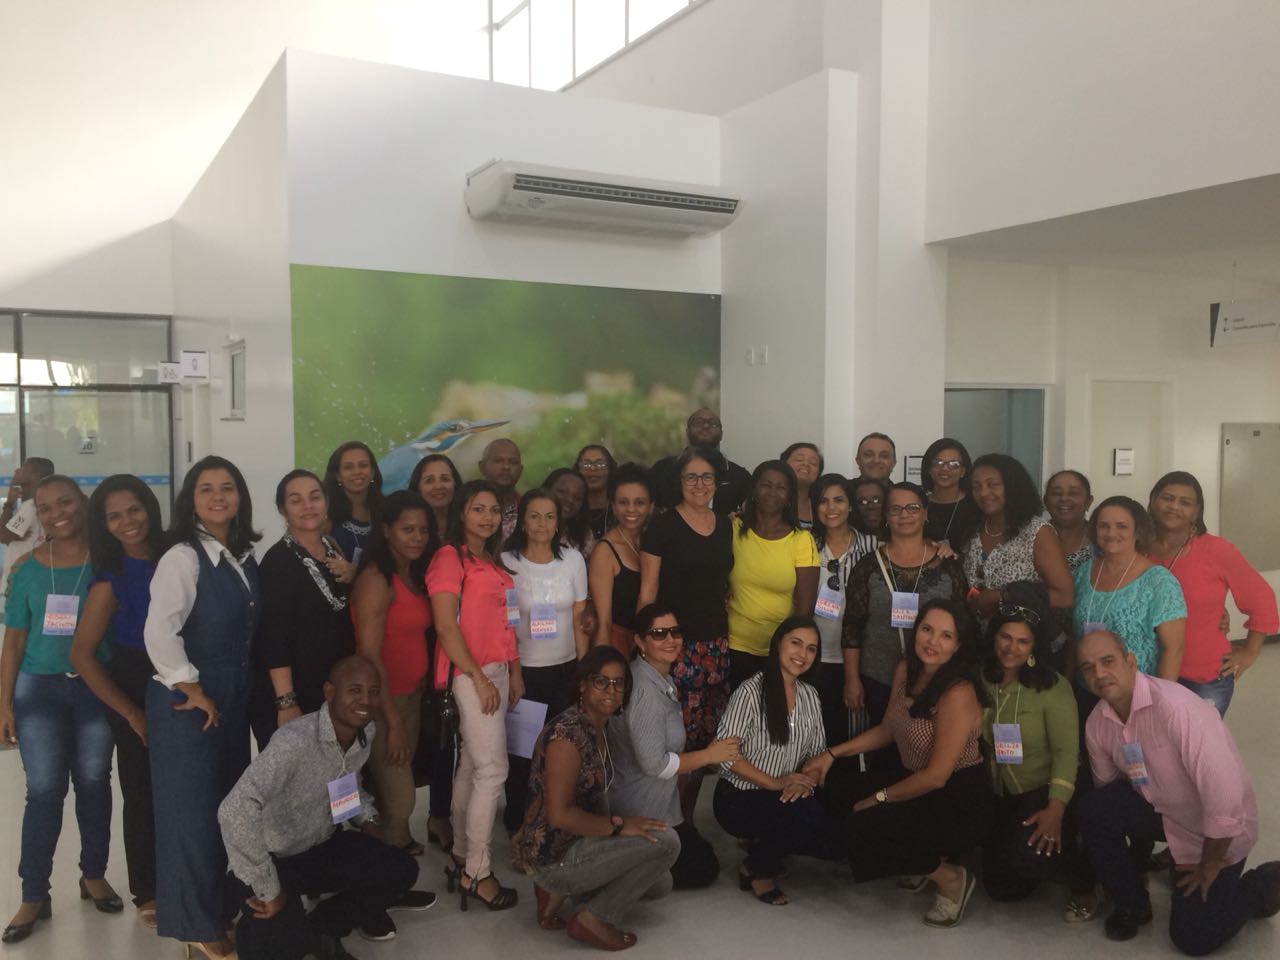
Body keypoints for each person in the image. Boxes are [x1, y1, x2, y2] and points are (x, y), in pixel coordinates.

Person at [1075, 630, 1280, 952]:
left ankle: (1264, 884)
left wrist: (1209, 863)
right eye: (1088, 667)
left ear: (1130, 661)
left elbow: (1225, 797)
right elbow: (1110, 795)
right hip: (1165, 812)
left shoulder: (1176, 708)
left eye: (1108, 661)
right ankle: (1132, 903)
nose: (1099, 674)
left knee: (1192, 937)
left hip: (1214, 833)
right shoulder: (1097, 724)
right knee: (1093, 808)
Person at [219, 656, 430, 960]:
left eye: (373, 691)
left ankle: (322, 928)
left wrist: (368, 821)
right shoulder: (293, 742)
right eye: (354, 690)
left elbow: (345, 785)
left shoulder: (365, 732)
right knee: (279, 948)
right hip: (272, 859)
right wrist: (269, 889)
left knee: (401, 869)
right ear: (330, 692)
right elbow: (234, 809)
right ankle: (276, 929)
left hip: (320, 846)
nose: (366, 700)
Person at [807, 598, 992, 929]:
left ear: (959, 645)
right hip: (914, 779)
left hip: (956, 797)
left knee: (863, 824)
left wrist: (879, 798)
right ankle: (920, 861)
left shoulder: (958, 691)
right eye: (927, 629)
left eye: (946, 636)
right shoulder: (906, 670)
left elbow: (937, 776)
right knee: (836, 791)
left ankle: (950, 877)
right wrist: (831, 755)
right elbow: (888, 730)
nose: (932, 641)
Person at [144, 455, 262, 959]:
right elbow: (159, 631)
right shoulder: (182, 557)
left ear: (240, 497)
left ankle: (215, 906)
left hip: (230, 695)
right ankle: (195, 923)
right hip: (188, 701)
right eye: (206, 488)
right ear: (190, 500)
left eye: (227, 487)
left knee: (223, 810)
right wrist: (190, 686)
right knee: (190, 815)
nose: (218, 496)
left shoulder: (238, 555)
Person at [1, 475, 118, 945]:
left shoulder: (107, 563)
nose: (56, 514)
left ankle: (93, 874)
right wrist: (3, 703)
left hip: (96, 687)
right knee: (45, 791)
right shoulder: (27, 569)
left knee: (94, 782)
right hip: (39, 692)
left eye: (65, 502)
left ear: (83, 503)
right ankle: (34, 894)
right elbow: (13, 641)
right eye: (46, 508)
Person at [512, 646, 679, 951]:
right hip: (555, 855)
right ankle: (593, 917)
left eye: (618, 683)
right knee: (668, 843)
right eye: (601, 681)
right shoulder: (567, 736)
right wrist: (619, 827)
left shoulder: (602, 726)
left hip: (581, 842)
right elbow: (559, 815)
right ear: (583, 685)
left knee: (660, 881)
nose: (611, 691)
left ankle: (560, 894)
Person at [68, 475, 165, 929]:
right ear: (103, 525)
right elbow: (81, 656)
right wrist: (131, 714)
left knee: (184, 788)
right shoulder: (110, 579)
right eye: (114, 516)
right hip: (134, 687)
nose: (128, 521)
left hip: (181, 678)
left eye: (135, 509)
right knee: (142, 791)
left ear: (150, 509)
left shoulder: (175, 554)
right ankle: (148, 888)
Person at [427, 480, 522, 911]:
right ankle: (478, 873)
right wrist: (480, 679)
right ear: (462, 512)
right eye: (478, 508)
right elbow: (446, 627)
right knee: (493, 770)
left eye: (494, 510)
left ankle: (462, 856)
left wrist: (513, 672)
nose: (487, 517)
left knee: (471, 765)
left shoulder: (493, 561)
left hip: (497, 672)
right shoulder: (449, 558)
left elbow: (508, 622)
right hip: (470, 675)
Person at [607, 604, 739, 889]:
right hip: (640, 811)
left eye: (675, 632)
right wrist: (708, 756)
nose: (670, 639)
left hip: (660, 806)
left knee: (703, 856)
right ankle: (625, 866)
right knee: (703, 869)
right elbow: (654, 764)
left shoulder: (659, 677)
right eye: (658, 633)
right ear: (640, 641)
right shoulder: (645, 692)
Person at [638, 446, 734, 825]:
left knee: (704, 745)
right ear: (679, 482)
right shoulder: (662, 526)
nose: (699, 484)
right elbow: (648, 592)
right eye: (690, 476)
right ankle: (666, 826)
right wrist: (646, 649)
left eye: (706, 476)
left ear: (716, 482)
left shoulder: (725, 524)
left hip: (716, 646)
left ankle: (686, 823)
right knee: (675, 743)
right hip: (675, 648)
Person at [977, 597, 1091, 913]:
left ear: (1034, 647)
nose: (1011, 648)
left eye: (1022, 641)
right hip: (997, 791)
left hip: (1042, 791)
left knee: (1020, 861)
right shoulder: (980, 677)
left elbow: (1067, 753)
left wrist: (1055, 809)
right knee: (1001, 887)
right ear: (994, 636)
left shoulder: (1053, 687)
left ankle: (1084, 878)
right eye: (1005, 637)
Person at [714, 617, 827, 905]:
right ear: (778, 644)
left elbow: (817, 754)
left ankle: (765, 849)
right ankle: (757, 868)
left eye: (811, 649)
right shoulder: (751, 692)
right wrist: (776, 783)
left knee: (828, 827)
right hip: (738, 797)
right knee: (808, 816)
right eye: (796, 643)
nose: (802, 654)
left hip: (783, 794)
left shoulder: (810, 695)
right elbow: (725, 755)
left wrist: (806, 783)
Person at [1147, 471, 1278, 716]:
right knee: (1153, 738)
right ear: (1153, 500)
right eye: (1167, 498)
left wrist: (1249, 651)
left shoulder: (1216, 550)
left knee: (1195, 741)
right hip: (1147, 671)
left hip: (1202, 677)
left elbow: (1262, 598)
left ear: (1196, 511)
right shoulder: (1136, 547)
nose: (1174, 506)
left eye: (1185, 502)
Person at [841, 482, 968, 732]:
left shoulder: (948, 564)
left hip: (936, 677)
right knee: (882, 744)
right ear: (886, 517)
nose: (904, 514)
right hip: (878, 677)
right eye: (895, 509)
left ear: (925, 512)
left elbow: (962, 624)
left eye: (913, 507)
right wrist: (852, 680)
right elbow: (852, 627)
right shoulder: (868, 566)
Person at [351, 491, 434, 868]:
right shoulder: (376, 579)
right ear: (386, 530)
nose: (417, 537)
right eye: (407, 529)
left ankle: (392, 852)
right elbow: (369, 656)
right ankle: (385, 868)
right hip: (383, 704)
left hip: (410, 696)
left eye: (423, 530)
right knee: (402, 799)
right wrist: (392, 720)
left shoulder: (410, 573)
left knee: (391, 790)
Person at [500, 488, 588, 834]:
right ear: (522, 521)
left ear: (558, 522)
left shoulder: (573, 560)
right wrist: (515, 673)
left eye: (550, 516)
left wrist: (583, 671)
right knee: (523, 752)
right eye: (534, 516)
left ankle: (557, 817)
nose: (542, 523)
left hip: (565, 669)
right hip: (524, 671)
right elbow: (506, 624)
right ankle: (519, 821)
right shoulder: (507, 562)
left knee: (562, 749)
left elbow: (580, 617)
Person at [251, 470, 357, 751]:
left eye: (314, 497)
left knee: (337, 772)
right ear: (282, 509)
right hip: (296, 694)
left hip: (332, 691)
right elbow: (274, 638)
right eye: (296, 500)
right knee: (297, 774)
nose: (308, 506)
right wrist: (287, 702)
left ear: (326, 502)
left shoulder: (332, 549)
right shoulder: (278, 562)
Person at [406, 453, 463, 850]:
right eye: (430, 479)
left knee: (457, 732)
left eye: (445, 477)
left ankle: (449, 810)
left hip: (466, 642)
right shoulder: (412, 533)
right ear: (417, 487)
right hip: (424, 641)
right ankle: (434, 813)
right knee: (436, 732)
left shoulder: (468, 529)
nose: (439, 485)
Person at [727, 460, 820, 688]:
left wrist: (791, 650)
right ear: (754, 490)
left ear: (789, 496)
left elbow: (805, 610)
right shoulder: (733, 529)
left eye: (781, 487)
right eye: (765, 485)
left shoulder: (801, 540)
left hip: (779, 651)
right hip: (734, 644)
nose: (772, 492)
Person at [1071, 496, 1185, 680]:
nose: (1111, 533)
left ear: (1138, 532)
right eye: (1103, 526)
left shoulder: (1159, 581)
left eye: (1121, 526)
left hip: (1137, 690)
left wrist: (1160, 695)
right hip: (1088, 684)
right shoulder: (1082, 573)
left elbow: (1173, 649)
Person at [962, 453, 1073, 623]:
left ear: (1012, 486)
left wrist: (1003, 597)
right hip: (977, 635)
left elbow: (1064, 597)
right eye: (976, 486)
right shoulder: (971, 529)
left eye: (993, 485)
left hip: (1023, 635)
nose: (983, 493)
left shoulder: (1037, 532)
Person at [808, 474, 876, 745]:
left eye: (839, 500)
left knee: (852, 735)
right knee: (817, 732)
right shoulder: (805, 544)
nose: (831, 507)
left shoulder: (873, 547)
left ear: (850, 506)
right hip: (812, 657)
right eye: (823, 501)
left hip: (859, 659)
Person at [588, 463, 652, 655]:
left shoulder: (655, 541)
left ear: (651, 506)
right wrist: (603, 664)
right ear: (613, 506)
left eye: (639, 502)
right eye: (623, 502)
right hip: (620, 647)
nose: (631, 509)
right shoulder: (605, 551)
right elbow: (604, 622)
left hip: (656, 645)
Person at [651, 409, 752, 515]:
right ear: (687, 432)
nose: (706, 426)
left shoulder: (740, 477)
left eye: (713, 423)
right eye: (699, 422)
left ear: (721, 434)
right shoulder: (662, 469)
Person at [0, 457, 54, 600]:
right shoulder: (32, 504)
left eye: (23, 468)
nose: (17, 470)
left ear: (35, 476)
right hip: (28, 578)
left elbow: (3, 536)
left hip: (22, 581)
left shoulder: (31, 506)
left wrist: (9, 504)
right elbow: (10, 539)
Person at [323, 441, 384, 566]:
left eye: (363, 465)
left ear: (372, 472)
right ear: (338, 476)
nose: (357, 471)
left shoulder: (386, 511)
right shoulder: (325, 516)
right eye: (348, 467)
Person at [921, 438, 979, 548]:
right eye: (938, 463)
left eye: (954, 464)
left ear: (963, 471)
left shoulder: (975, 504)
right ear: (929, 469)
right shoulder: (919, 504)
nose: (945, 468)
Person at [1045, 469, 1095, 572]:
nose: (1064, 498)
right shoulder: (1031, 540)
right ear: (1045, 501)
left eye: (1073, 493)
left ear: (1089, 502)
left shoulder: (1102, 540)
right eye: (1056, 493)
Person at [477, 439, 523, 542]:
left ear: (520, 471)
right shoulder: (465, 508)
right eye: (498, 460)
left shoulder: (527, 509)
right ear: (482, 467)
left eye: (513, 462)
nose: (506, 467)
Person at [541, 467, 594, 556]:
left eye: (578, 498)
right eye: (562, 492)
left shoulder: (584, 535)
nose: (570, 500)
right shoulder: (520, 524)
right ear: (547, 490)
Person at [408, 453, 462, 540]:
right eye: (429, 481)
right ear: (418, 487)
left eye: (445, 479)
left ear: (455, 484)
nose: (438, 486)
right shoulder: (407, 527)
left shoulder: (470, 523)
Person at [575, 444, 617, 540]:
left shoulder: (620, 510)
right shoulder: (571, 510)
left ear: (610, 469)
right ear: (578, 470)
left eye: (600, 464)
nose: (593, 469)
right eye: (586, 465)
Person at [781, 442, 823, 529]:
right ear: (784, 463)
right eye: (799, 459)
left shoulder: (821, 505)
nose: (806, 464)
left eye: (813, 463)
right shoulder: (771, 497)